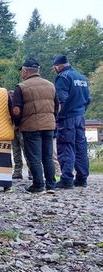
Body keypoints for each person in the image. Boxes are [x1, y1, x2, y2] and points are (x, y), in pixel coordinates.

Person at [12, 58, 59, 194]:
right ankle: (51, 184)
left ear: (25, 71)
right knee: (48, 156)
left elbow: (16, 110)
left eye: (22, 71)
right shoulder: (50, 85)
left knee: (34, 156)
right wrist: (52, 118)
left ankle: (38, 185)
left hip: (31, 127)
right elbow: (58, 106)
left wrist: (17, 123)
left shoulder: (21, 87)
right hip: (49, 125)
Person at [53, 55, 91, 189]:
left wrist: (56, 118)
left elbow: (60, 101)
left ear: (58, 66)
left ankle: (67, 179)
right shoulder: (82, 78)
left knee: (66, 146)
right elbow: (88, 100)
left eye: (54, 68)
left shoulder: (63, 77)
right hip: (80, 117)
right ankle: (82, 178)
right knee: (80, 147)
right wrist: (80, 111)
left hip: (67, 117)